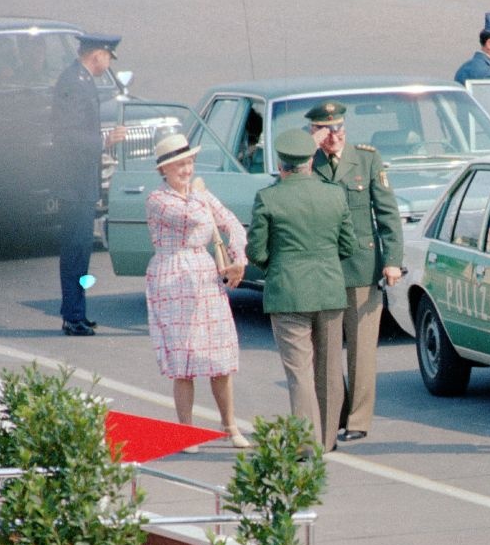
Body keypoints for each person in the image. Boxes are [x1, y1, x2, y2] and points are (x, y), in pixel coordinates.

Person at [247, 128, 355, 454]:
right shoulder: (334, 194)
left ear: (282, 164)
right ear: (311, 160)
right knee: (328, 369)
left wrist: (275, 266)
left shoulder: (268, 197)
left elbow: (256, 250)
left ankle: (306, 444)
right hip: (328, 289)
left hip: (288, 291)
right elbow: (347, 245)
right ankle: (327, 439)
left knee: (300, 372)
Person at [143, 133, 250, 452]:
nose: (186, 170)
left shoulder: (200, 193)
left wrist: (239, 258)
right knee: (184, 359)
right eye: (178, 165)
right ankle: (185, 430)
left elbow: (232, 222)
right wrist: (202, 197)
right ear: (164, 170)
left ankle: (229, 426)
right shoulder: (158, 200)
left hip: (203, 273)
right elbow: (196, 217)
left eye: (189, 163)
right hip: (172, 275)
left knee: (218, 355)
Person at [306, 101, 404, 443]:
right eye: (326, 130)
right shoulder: (307, 162)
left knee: (361, 349)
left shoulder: (366, 158)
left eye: (339, 128)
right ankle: (337, 414)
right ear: (314, 132)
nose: (334, 136)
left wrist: (392, 260)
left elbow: (388, 214)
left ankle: (359, 420)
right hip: (324, 268)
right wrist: (309, 151)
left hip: (362, 266)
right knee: (327, 349)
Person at [53, 33, 127, 337]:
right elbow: (67, 134)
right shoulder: (74, 82)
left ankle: (76, 312)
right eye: (108, 57)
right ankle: (73, 316)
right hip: (74, 183)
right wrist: (104, 141)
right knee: (75, 250)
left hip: (81, 181)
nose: (107, 63)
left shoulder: (80, 80)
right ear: (97, 54)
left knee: (80, 251)